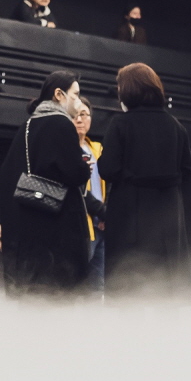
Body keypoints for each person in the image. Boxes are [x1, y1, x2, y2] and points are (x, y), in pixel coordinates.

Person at [0, 70, 94, 296]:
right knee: (60, 291)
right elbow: (71, 171)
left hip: (28, 224)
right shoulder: (62, 123)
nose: (78, 101)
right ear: (59, 94)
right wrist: (83, 169)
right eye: (75, 94)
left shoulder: (28, 125)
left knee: (33, 293)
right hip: (57, 227)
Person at [96, 62, 191, 289]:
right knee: (167, 285)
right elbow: (188, 171)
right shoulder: (176, 126)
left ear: (128, 89)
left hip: (129, 214)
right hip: (168, 214)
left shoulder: (120, 124)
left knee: (129, 283)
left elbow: (108, 169)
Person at [74, 97, 108, 294]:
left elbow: (109, 182)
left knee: (98, 284)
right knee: (77, 280)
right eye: (75, 115)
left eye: (84, 114)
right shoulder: (68, 148)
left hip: (101, 225)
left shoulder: (97, 148)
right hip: (81, 225)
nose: (79, 119)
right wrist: (102, 211)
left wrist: (106, 213)